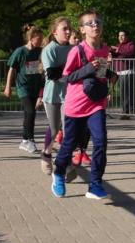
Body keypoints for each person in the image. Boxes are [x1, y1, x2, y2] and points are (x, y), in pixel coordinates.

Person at [51, 10, 117, 200]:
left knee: (101, 141)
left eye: (98, 21)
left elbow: (100, 73)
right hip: (76, 106)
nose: (95, 25)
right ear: (82, 30)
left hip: (96, 103)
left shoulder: (105, 49)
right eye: (90, 23)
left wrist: (110, 75)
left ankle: (95, 185)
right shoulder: (77, 50)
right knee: (69, 144)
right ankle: (58, 172)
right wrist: (88, 69)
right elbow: (67, 76)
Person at [40, 18, 77, 177]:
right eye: (64, 29)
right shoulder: (50, 49)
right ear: (55, 32)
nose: (68, 32)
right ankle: (46, 155)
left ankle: (66, 163)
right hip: (53, 95)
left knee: (68, 130)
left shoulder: (73, 49)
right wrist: (71, 73)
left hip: (69, 95)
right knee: (54, 128)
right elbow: (53, 74)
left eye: (69, 28)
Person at [5, 25, 46, 154]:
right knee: (30, 112)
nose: (40, 42)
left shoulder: (40, 51)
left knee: (30, 114)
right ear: (31, 38)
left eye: (41, 39)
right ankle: (28, 139)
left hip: (35, 86)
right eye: (38, 39)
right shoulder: (20, 51)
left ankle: (26, 139)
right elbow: (12, 69)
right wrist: (8, 87)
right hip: (23, 87)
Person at [66, 30, 91, 166]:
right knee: (73, 128)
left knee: (88, 127)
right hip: (70, 97)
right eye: (73, 38)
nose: (76, 40)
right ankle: (70, 155)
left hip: (88, 95)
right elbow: (67, 75)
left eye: (77, 38)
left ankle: (82, 150)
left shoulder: (84, 51)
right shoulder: (70, 52)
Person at [110, 29, 135, 119]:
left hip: (128, 72)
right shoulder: (118, 45)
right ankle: (126, 110)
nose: (120, 37)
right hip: (120, 73)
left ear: (127, 36)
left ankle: (131, 110)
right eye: (119, 35)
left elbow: (129, 52)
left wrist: (118, 50)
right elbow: (115, 55)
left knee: (130, 92)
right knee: (123, 92)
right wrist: (111, 51)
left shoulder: (130, 44)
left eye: (122, 35)